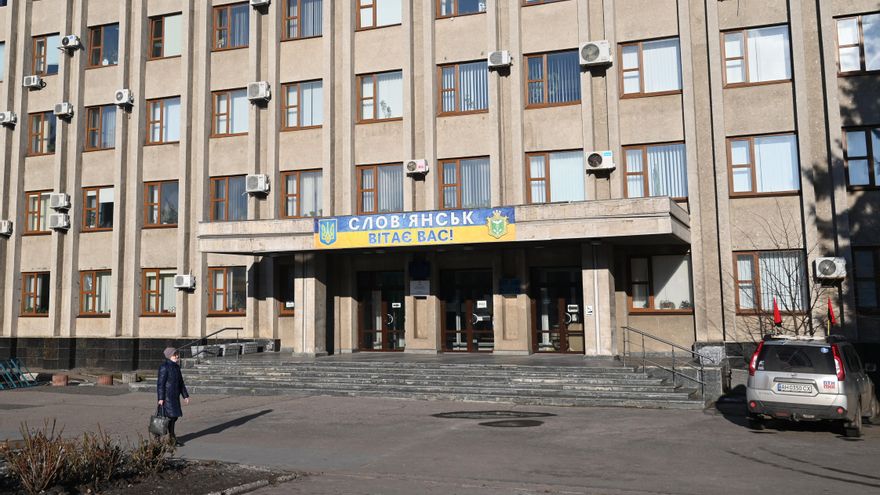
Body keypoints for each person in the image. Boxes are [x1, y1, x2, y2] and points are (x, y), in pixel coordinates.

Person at [157, 347, 190, 446]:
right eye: (175, 355)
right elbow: (160, 384)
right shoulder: (164, 367)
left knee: (174, 417)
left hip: (174, 397)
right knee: (168, 417)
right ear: (169, 356)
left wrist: (185, 395)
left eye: (177, 354)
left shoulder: (176, 367)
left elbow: (181, 383)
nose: (177, 356)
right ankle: (168, 439)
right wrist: (161, 398)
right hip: (167, 397)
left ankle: (168, 438)